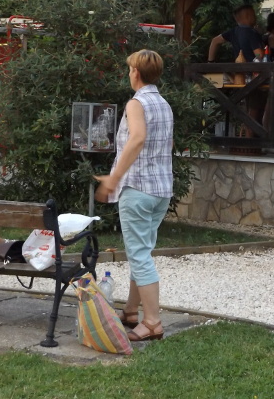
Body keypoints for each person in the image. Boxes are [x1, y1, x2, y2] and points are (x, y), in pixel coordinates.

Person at [95, 49, 173, 342]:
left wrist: (113, 178)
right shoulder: (164, 104)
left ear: (136, 73)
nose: (129, 73)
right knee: (142, 252)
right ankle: (130, 310)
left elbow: (138, 138)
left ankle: (152, 322)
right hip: (161, 190)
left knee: (139, 255)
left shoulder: (136, 103)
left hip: (138, 189)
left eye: (130, 69)